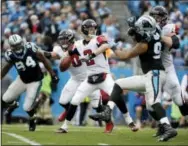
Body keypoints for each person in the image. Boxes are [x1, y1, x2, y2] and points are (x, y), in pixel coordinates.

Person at [89, 15, 177, 142]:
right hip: (149, 75)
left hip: (155, 74)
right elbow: (146, 32)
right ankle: (107, 111)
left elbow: (125, 55)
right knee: (118, 84)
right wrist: (134, 31)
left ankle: (168, 127)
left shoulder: (144, 45)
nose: (138, 30)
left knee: (153, 102)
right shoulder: (155, 31)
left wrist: (111, 45)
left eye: (139, 28)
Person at [60, 19, 137, 133]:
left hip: (104, 75)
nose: (93, 31)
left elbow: (105, 46)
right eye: (90, 29)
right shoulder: (78, 44)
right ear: (84, 30)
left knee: (116, 96)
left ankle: (129, 121)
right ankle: (64, 126)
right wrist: (63, 58)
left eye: (94, 28)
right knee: (75, 101)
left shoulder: (98, 38)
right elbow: (67, 54)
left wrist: (91, 55)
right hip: (90, 78)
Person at [43, 29, 103, 133]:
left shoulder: (81, 46)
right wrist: (39, 52)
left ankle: (108, 120)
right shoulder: (59, 49)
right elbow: (52, 55)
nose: (63, 42)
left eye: (66, 40)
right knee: (63, 101)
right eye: (62, 40)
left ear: (72, 40)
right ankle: (67, 113)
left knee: (96, 106)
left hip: (88, 78)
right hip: (75, 79)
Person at [1, 34, 59, 131]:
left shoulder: (30, 48)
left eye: (19, 45)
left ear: (22, 43)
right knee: (6, 98)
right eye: (15, 46)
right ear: (11, 46)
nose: (17, 48)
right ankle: (14, 104)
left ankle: (32, 119)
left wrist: (53, 74)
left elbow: (44, 60)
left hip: (35, 81)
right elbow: (7, 67)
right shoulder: (10, 54)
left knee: (27, 107)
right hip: (22, 79)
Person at [149, 5, 188, 136]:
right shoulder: (146, 27)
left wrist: (158, 35)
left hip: (166, 69)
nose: (155, 19)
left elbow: (176, 44)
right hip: (152, 69)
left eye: (158, 16)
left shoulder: (168, 28)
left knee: (179, 101)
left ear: (164, 17)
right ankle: (162, 127)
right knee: (152, 104)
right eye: (153, 16)